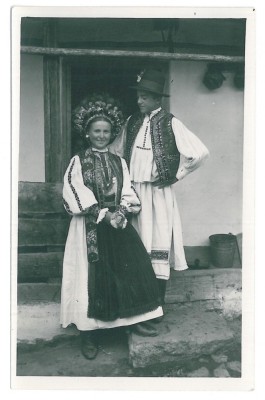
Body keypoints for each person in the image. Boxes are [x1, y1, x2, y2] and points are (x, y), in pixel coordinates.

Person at [60, 94, 163, 360]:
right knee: (90, 278)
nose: (101, 136)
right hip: (89, 227)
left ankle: (135, 318)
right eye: (97, 131)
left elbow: (128, 190)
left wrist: (124, 210)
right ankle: (88, 332)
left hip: (117, 225)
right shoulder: (79, 161)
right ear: (87, 133)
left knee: (133, 268)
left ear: (111, 133)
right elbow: (73, 190)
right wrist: (101, 213)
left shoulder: (120, 162)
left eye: (106, 131)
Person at [109, 69, 209, 319]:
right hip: (133, 194)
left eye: (145, 97)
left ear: (157, 99)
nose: (139, 100)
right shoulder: (132, 122)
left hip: (158, 193)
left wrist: (177, 175)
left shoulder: (170, 122)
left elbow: (199, 153)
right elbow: (116, 152)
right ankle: (138, 304)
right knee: (136, 244)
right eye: (139, 96)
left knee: (159, 243)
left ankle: (156, 305)